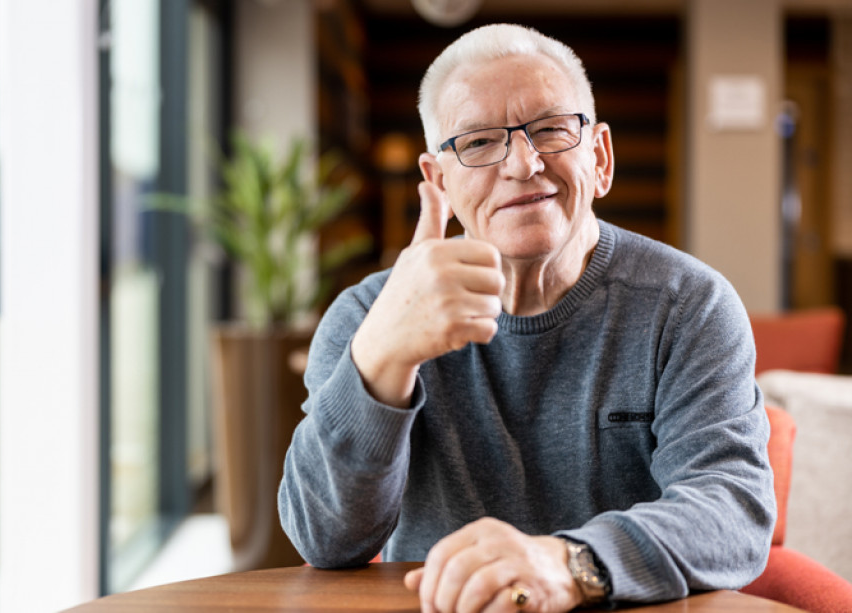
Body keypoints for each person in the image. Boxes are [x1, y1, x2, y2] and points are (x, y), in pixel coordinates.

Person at [278, 23, 775, 613]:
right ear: (437, 181)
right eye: (480, 142)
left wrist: (570, 564)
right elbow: (325, 540)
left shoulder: (689, 304)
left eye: (550, 130)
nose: (523, 162)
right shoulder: (368, 316)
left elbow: (732, 510)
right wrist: (384, 355)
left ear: (601, 156)